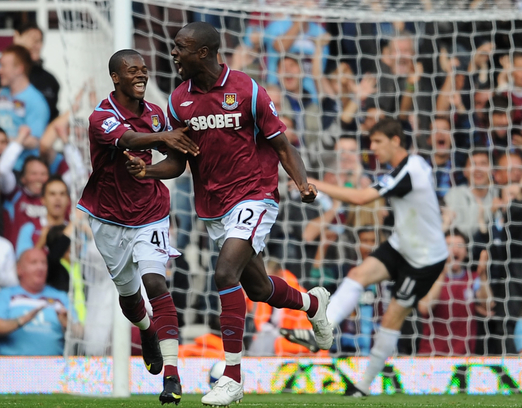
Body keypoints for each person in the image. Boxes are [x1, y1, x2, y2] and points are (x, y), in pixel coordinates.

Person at [124, 22, 332, 407]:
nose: (173, 54)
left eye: (179, 47)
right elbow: (177, 162)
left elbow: (282, 145)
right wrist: (148, 171)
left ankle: (232, 378)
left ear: (202, 52)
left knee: (223, 273)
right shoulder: (179, 100)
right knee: (257, 288)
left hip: (256, 195)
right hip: (214, 207)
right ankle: (313, 305)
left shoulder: (247, 90)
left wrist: (302, 183)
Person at [282, 117, 449, 396]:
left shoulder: (409, 171)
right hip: (401, 245)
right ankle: (319, 333)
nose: (372, 148)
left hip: (425, 260)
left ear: (396, 140)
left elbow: (360, 198)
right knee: (357, 276)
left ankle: (363, 385)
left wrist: (309, 181)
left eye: (377, 141)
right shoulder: (408, 167)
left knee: (393, 316)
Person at [76, 49, 199, 404]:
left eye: (144, 70)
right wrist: (163, 139)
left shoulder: (157, 115)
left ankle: (172, 378)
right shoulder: (102, 116)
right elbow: (128, 140)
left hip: (152, 212)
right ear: (116, 77)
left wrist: (148, 170)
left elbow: (175, 165)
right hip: (108, 217)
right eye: (133, 71)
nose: (141, 76)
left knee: (155, 281)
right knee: (130, 298)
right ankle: (146, 329)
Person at [0, 249, 68, 356]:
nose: (40, 267)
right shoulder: (6, 295)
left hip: (55, 367)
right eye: (34, 262)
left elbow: (80, 333)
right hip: (11, 367)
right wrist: (20, 321)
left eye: (43, 263)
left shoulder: (61, 297)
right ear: (19, 269)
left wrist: (69, 326)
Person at [0, 45, 51, 172]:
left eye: (3, 66)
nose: (0, 71)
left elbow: (34, 141)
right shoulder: (2, 94)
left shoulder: (36, 101)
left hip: (18, 169)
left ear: (18, 69)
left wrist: (4, 141)